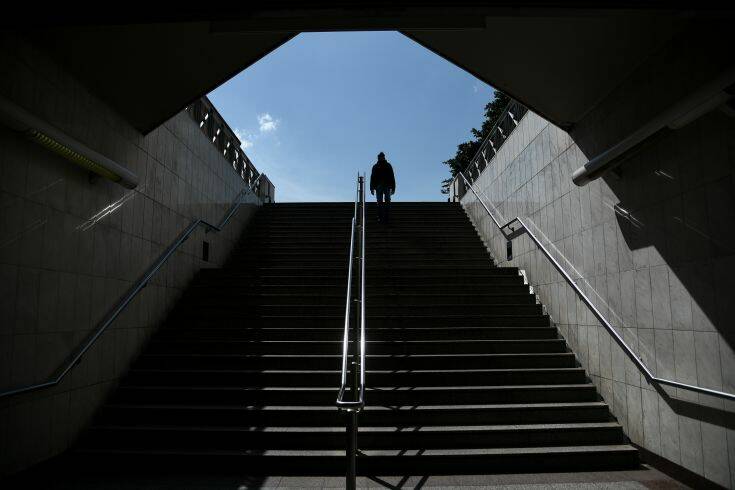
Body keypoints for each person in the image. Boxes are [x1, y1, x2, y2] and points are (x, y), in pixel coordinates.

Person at [369, 152, 395, 224]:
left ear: (384, 157)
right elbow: (372, 178)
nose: (380, 158)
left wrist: (393, 188)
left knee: (387, 201)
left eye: (381, 157)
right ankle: (380, 217)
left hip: (386, 185)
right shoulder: (376, 166)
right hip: (379, 186)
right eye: (379, 157)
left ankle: (386, 217)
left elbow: (392, 176)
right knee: (380, 201)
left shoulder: (388, 165)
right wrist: (371, 188)